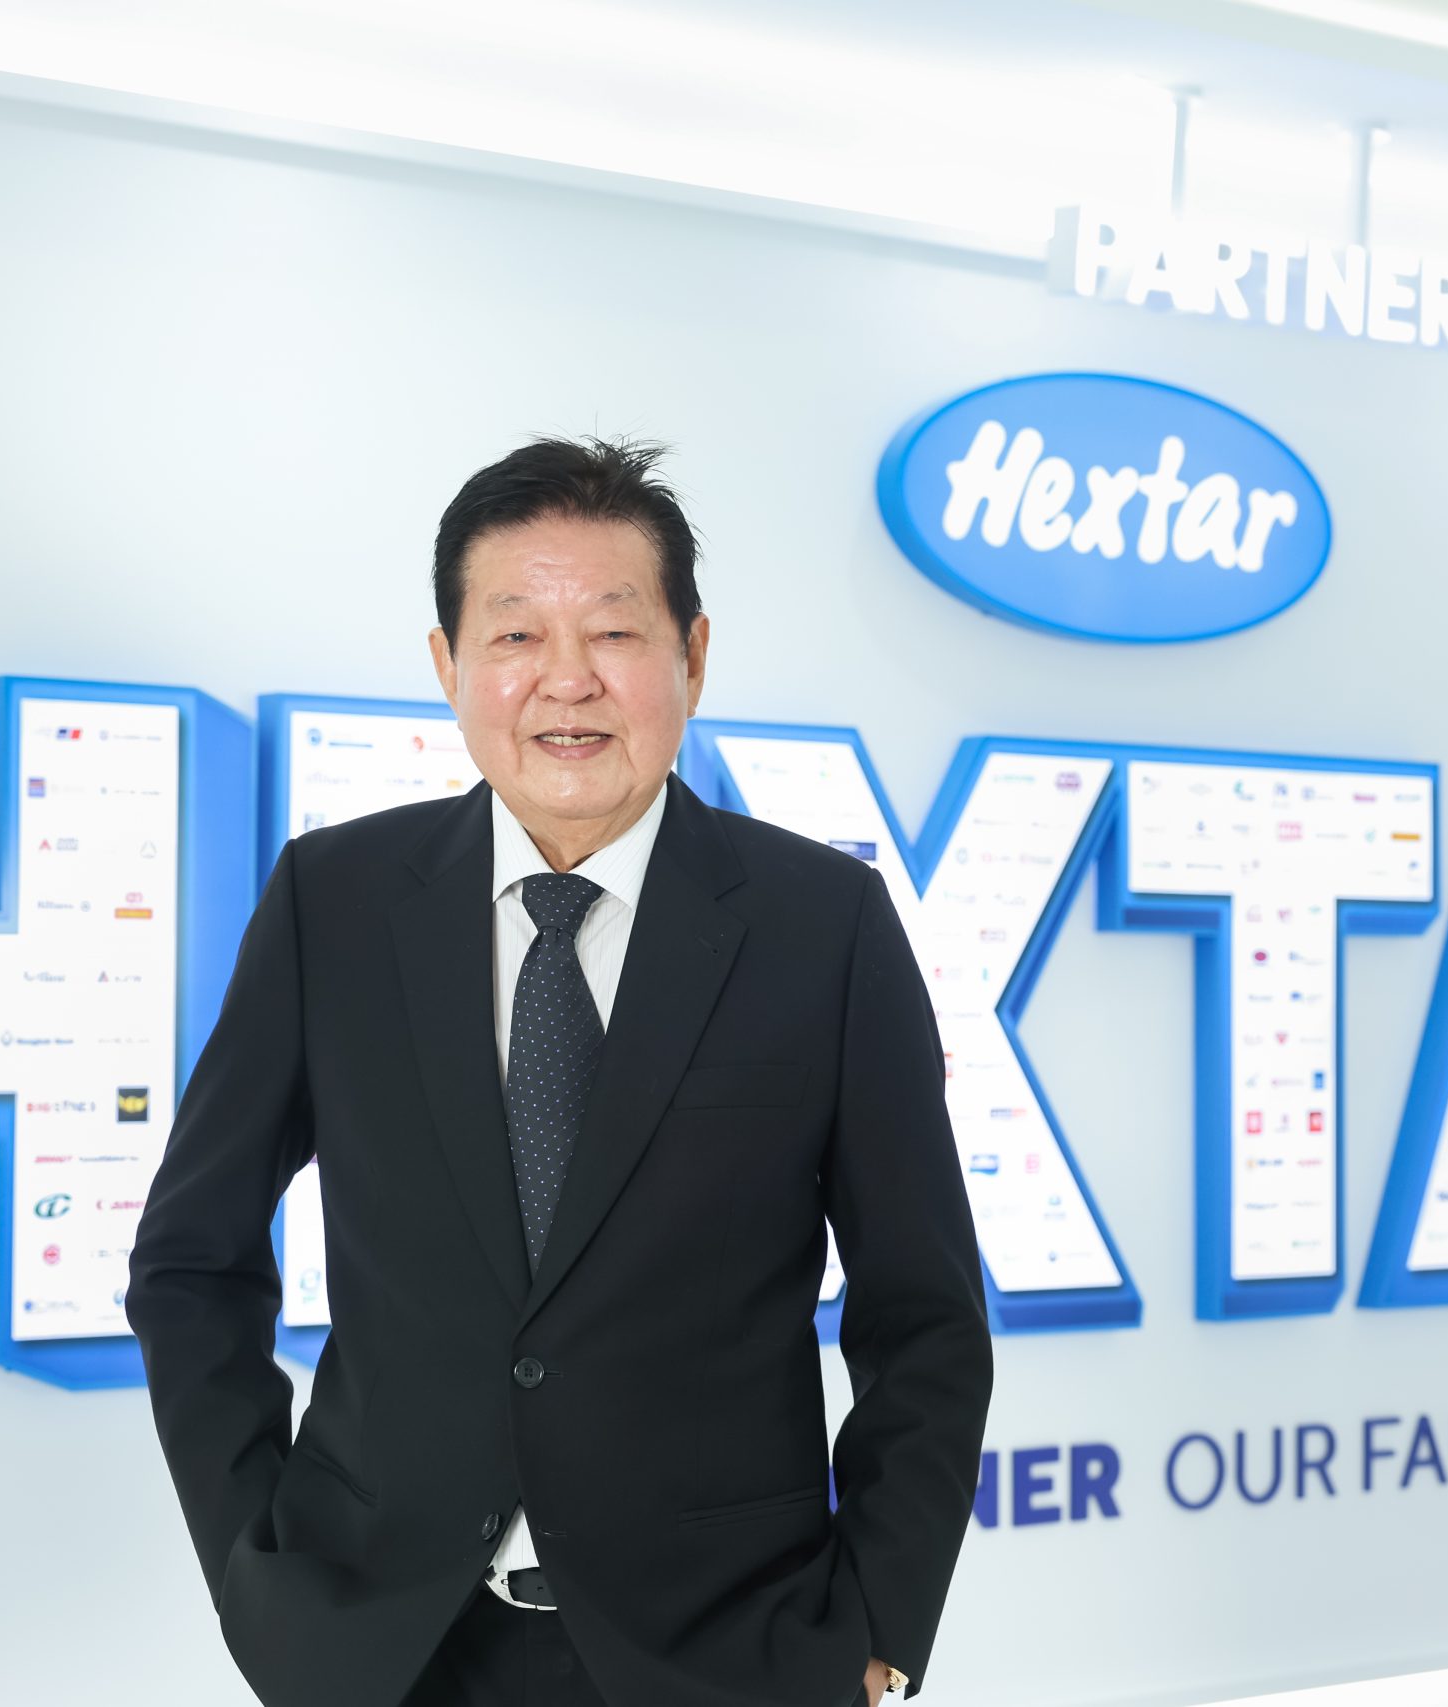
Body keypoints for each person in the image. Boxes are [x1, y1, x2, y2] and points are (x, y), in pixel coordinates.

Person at [124, 436, 993, 1706]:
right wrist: (257, 1574)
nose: (566, 681)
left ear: (693, 656)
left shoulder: (823, 926)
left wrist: (874, 1633)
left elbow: (924, 1314)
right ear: (449, 665)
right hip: (387, 1650)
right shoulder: (335, 902)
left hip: (727, 1655)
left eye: (616, 633)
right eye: (517, 635)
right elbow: (190, 1260)